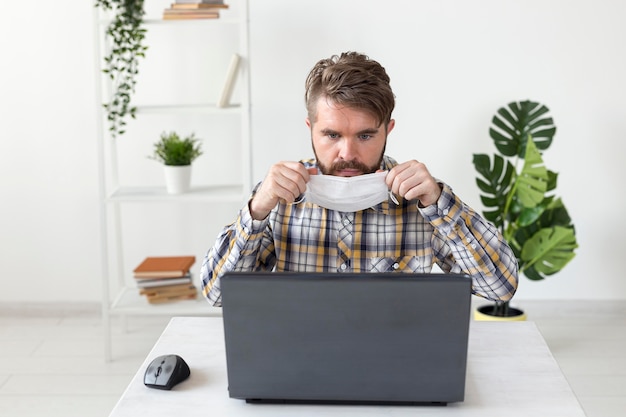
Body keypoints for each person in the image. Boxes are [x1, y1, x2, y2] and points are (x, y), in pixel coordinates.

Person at [200, 51, 518, 307]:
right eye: (331, 135)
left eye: (365, 135)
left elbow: (500, 288)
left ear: (387, 130)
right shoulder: (281, 196)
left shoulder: (422, 200)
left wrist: (439, 203)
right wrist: (257, 209)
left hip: (397, 363)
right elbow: (217, 294)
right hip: (301, 363)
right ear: (310, 128)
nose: (347, 153)